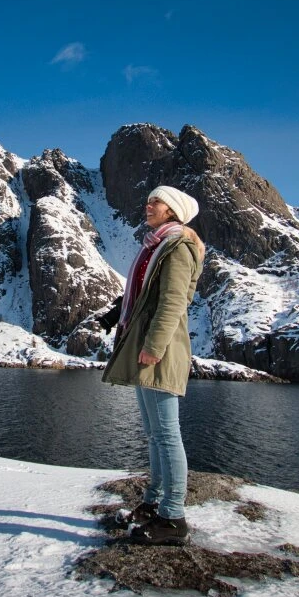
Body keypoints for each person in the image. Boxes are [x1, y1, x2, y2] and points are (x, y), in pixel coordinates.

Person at [97, 185, 205, 546]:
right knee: (154, 431)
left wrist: (154, 348)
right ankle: (153, 503)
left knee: (166, 433)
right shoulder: (157, 245)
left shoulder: (179, 246)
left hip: (160, 349)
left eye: (155, 201)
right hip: (145, 344)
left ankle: (173, 517)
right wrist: (117, 311)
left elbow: (173, 301)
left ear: (171, 210)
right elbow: (144, 291)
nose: (149, 205)